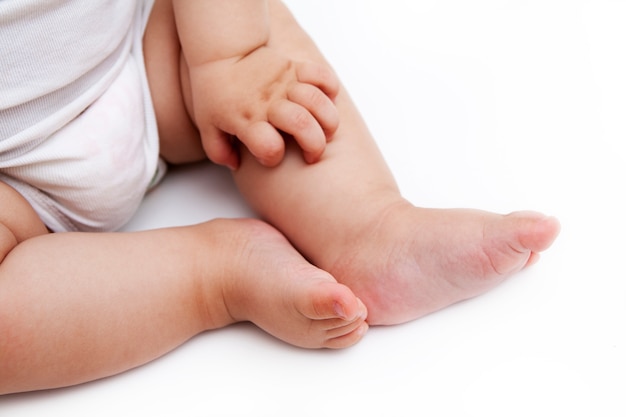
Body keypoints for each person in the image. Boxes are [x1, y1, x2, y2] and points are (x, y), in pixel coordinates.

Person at [0, 0, 560, 394]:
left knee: (263, 51)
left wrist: (230, 57)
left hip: (143, 54)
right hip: (14, 185)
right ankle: (212, 274)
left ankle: (370, 228)